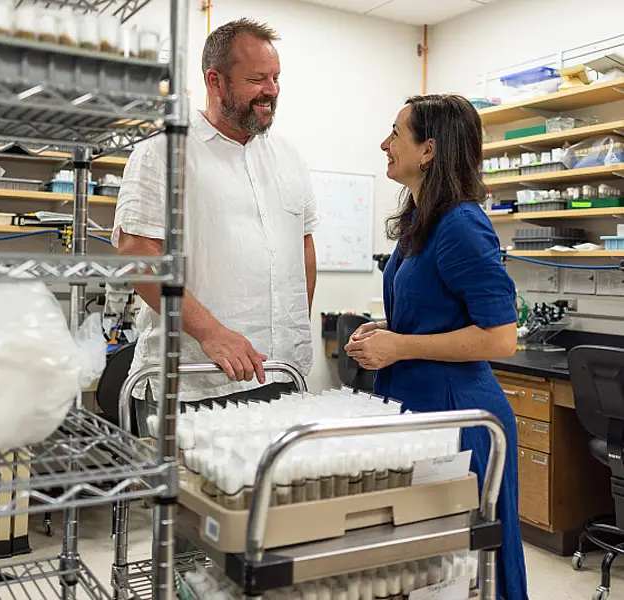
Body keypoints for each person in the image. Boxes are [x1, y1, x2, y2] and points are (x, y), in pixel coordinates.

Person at [345, 94, 527, 599]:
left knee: (469, 569)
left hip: (460, 418)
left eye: (396, 134)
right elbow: (431, 310)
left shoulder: (462, 225)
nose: (385, 144)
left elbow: (501, 337)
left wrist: (400, 345)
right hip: (421, 413)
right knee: (425, 568)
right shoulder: (420, 221)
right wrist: (382, 329)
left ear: (428, 150)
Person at [113, 18, 319, 428]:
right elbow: (137, 255)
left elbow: (304, 248)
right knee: (186, 494)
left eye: (276, 78)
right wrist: (210, 332)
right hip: (194, 384)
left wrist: (293, 329)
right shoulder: (165, 152)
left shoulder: (289, 158)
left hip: (280, 375)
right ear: (216, 81)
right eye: (257, 79)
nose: (272, 91)